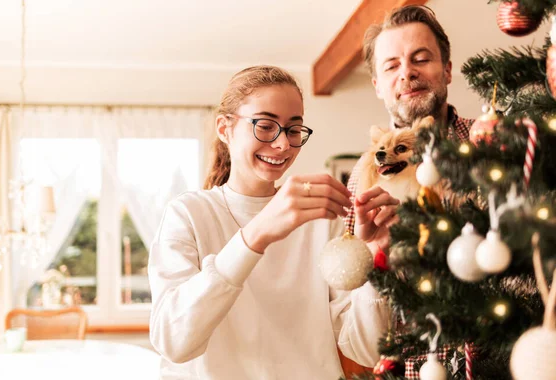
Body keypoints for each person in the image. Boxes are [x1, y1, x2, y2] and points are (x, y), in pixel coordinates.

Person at [148, 65, 389, 379]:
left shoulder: (322, 220)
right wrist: (257, 234)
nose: (282, 145)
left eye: (293, 129)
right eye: (265, 125)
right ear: (225, 128)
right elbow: (173, 342)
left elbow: (368, 351)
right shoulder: (189, 214)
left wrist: (374, 257)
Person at [344, 5, 475, 250]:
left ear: (447, 70)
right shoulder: (363, 174)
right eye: (391, 66)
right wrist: (371, 248)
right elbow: (345, 275)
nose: (407, 72)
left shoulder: (488, 141)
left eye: (421, 59)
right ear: (377, 87)